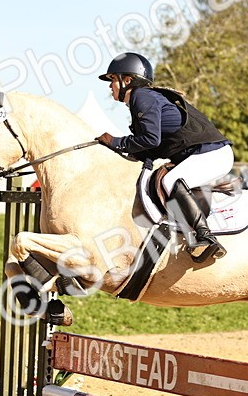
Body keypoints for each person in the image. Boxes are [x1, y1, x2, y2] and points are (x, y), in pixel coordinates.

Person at [95, 52, 232, 263]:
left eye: (113, 79)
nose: (110, 86)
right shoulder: (142, 99)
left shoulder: (142, 97)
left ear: (127, 80)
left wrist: (115, 141)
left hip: (213, 154)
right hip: (204, 153)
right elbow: (152, 147)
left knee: (171, 180)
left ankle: (205, 236)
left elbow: (150, 139)